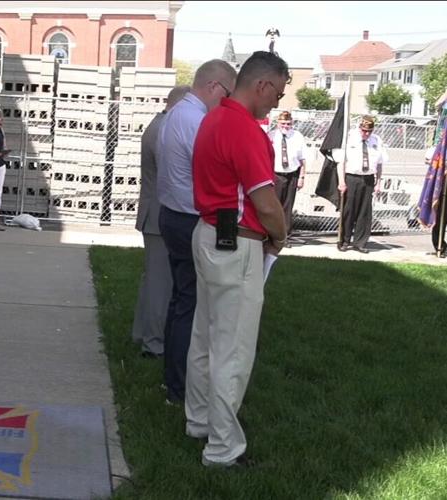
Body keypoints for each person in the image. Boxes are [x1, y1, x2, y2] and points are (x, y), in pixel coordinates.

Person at [186, 50, 289, 468]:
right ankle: (223, 448)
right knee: (233, 349)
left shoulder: (213, 118)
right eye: (278, 94)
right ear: (262, 85)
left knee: (204, 338)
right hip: (239, 241)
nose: (277, 103)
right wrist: (279, 237)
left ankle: (198, 421)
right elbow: (266, 203)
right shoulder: (244, 128)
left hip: (209, 231)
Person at [155, 59, 237, 404]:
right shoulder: (197, 120)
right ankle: (184, 386)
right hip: (193, 218)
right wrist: (229, 233)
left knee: (182, 300)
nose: (229, 101)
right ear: (215, 87)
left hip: (173, 213)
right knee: (197, 305)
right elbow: (217, 177)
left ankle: (174, 380)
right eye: (228, 93)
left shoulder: (176, 115)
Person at [132, 85, 191, 359]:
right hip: (159, 214)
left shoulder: (159, 125)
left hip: (154, 213)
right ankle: (154, 344)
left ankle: (144, 334)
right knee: (160, 284)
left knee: (153, 281)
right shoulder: (164, 129)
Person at [337, 116, 387, 254]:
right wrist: (341, 181)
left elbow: (380, 164)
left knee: (365, 212)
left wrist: (378, 182)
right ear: (359, 128)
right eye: (364, 130)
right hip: (352, 177)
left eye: (369, 131)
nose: (366, 134)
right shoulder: (350, 138)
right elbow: (340, 162)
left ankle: (360, 242)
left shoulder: (376, 141)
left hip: (368, 178)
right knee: (348, 210)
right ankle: (344, 240)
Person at [268, 110, 306, 245]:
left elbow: (303, 159)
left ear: (292, 123)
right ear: (278, 123)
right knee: (275, 206)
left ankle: (285, 237)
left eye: (288, 124)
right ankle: (273, 235)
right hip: (276, 175)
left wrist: (301, 177)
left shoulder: (298, 137)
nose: (285, 126)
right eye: (283, 123)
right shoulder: (271, 136)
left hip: (292, 175)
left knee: (288, 207)